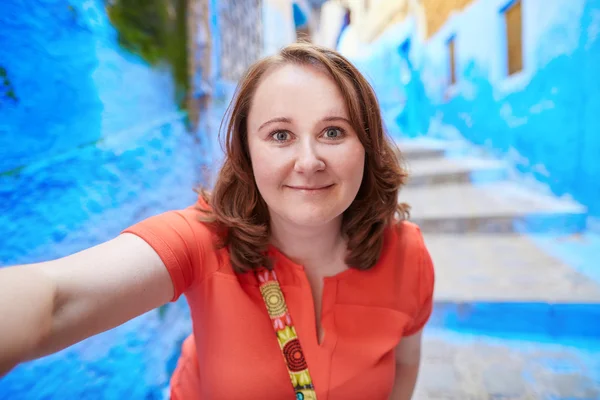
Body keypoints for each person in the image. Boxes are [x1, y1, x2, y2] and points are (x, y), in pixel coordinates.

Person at [0, 42, 435, 400]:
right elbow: (56, 300)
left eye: (333, 132)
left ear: (367, 145)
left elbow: (406, 364)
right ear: (247, 151)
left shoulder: (407, 253)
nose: (309, 161)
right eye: (280, 135)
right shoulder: (202, 239)